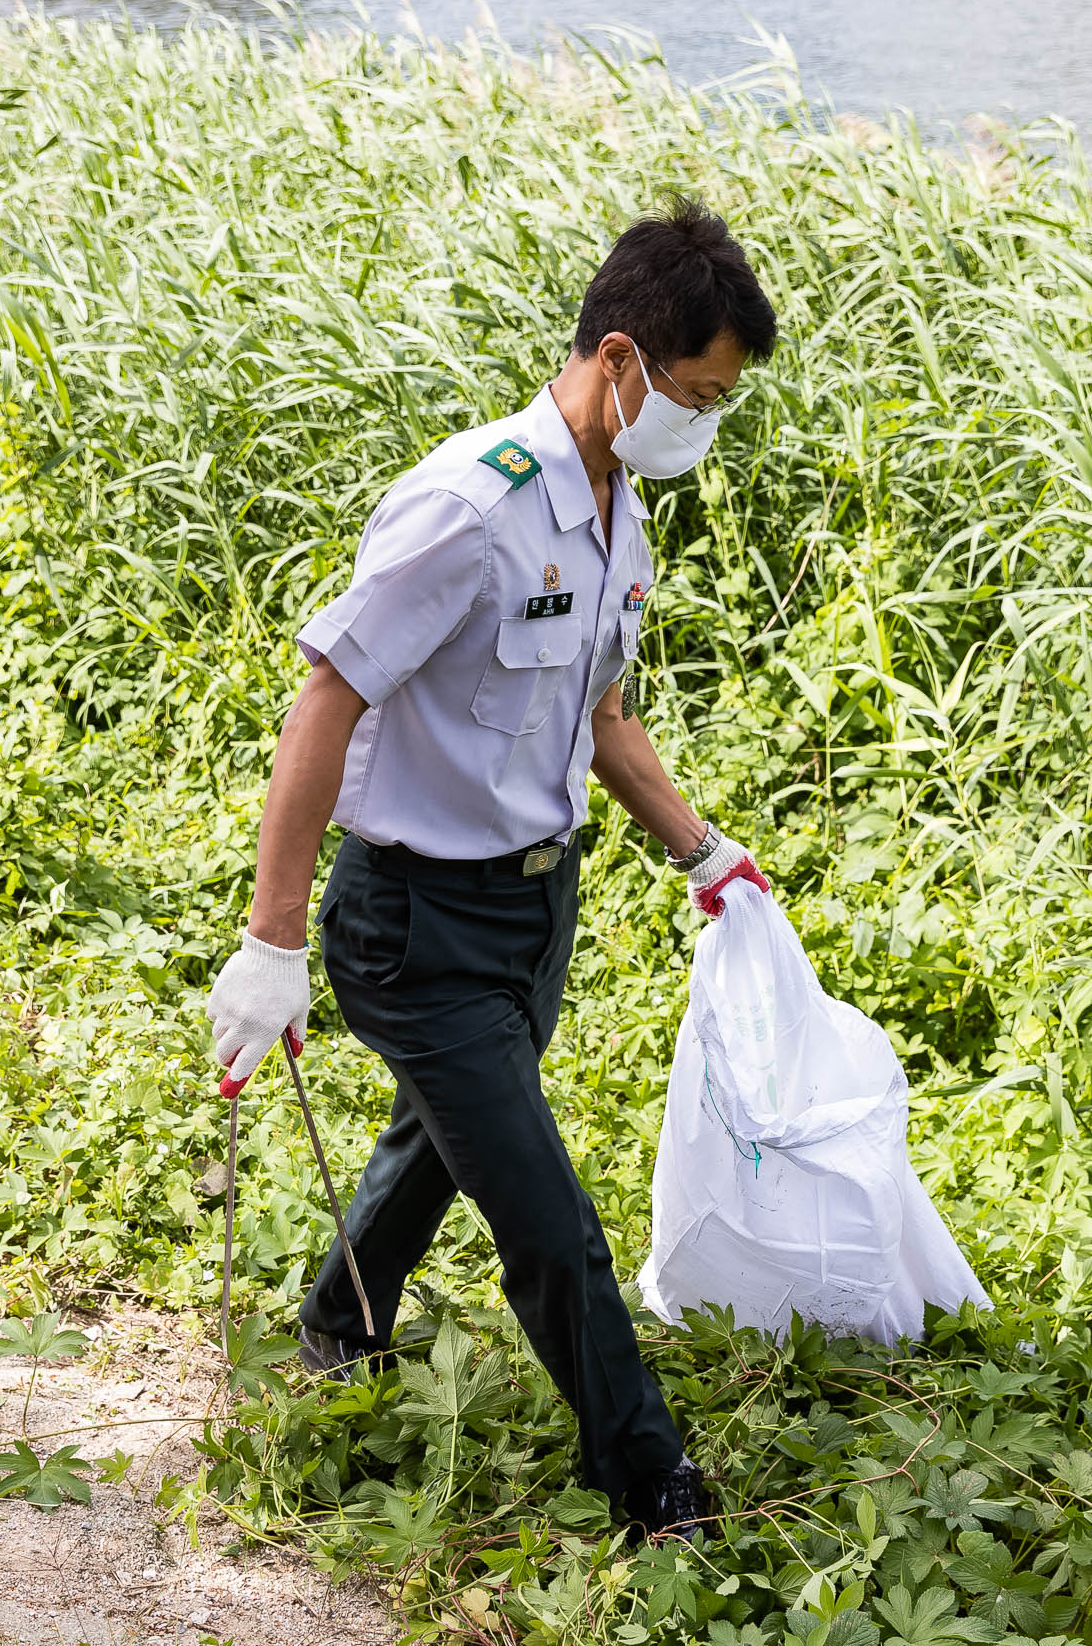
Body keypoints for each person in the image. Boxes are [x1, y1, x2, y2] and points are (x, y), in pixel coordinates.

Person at [205, 201, 778, 1541]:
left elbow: (607, 719)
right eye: (696, 394)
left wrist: (704, 852)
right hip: (414, 921)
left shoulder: (617, 513)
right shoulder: (470, 507)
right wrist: (272, 940)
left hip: (536, 908)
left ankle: (338, 1322)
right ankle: (650, 1479)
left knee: (445, 1141)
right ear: (623, 359)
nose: (703, 423)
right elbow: (326, 701)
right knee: (549, 1215)